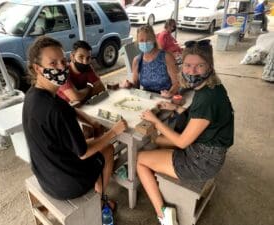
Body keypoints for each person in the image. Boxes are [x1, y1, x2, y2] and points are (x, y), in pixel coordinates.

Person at [137, 39, 234, 225]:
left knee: (140, 159)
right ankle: (159, 163)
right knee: (158, 141)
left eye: (199, 66)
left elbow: (182, 142)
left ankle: (164, 217)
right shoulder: (210, 88)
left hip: (202, 162)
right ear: (183, 64)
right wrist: (175, 108)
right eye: (188, 65)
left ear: (209, 67)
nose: (192, 71)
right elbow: (201, 120)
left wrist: (155, 120)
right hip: (208, 150)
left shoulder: (207, 98)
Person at [23, 36, 127, 205]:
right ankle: (100, 200)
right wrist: (114, 131)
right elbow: (83, 152)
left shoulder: (33, 95)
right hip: (67, 185)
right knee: (107, 149)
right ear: (37, 68)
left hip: (45, 175)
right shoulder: (56, 109)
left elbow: (70, 108)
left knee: (90, 138)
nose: (61, 67)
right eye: (53, 63)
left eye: (63, 62)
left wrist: (90, 121)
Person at [121, 25, 179, 98]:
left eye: (148, 40)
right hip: (147, 98)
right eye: (141, 40)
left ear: (154, 40)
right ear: (137, 42)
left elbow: (177, 82)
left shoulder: (166, 57)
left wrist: (170, 93)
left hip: (166, 99)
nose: (145, 43)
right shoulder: (137, 60)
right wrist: (129, 85)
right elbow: (136, 85)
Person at [57, 40, 105, 104]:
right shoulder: (62, 72)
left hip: (82, 105)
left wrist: (80, 94)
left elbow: (101, 88)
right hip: (65, 108)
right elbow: (75, 97)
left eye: (88, 58)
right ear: (72, 57)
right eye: (81, 57)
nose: (85, 62)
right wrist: (89, 88)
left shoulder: (88, 68)